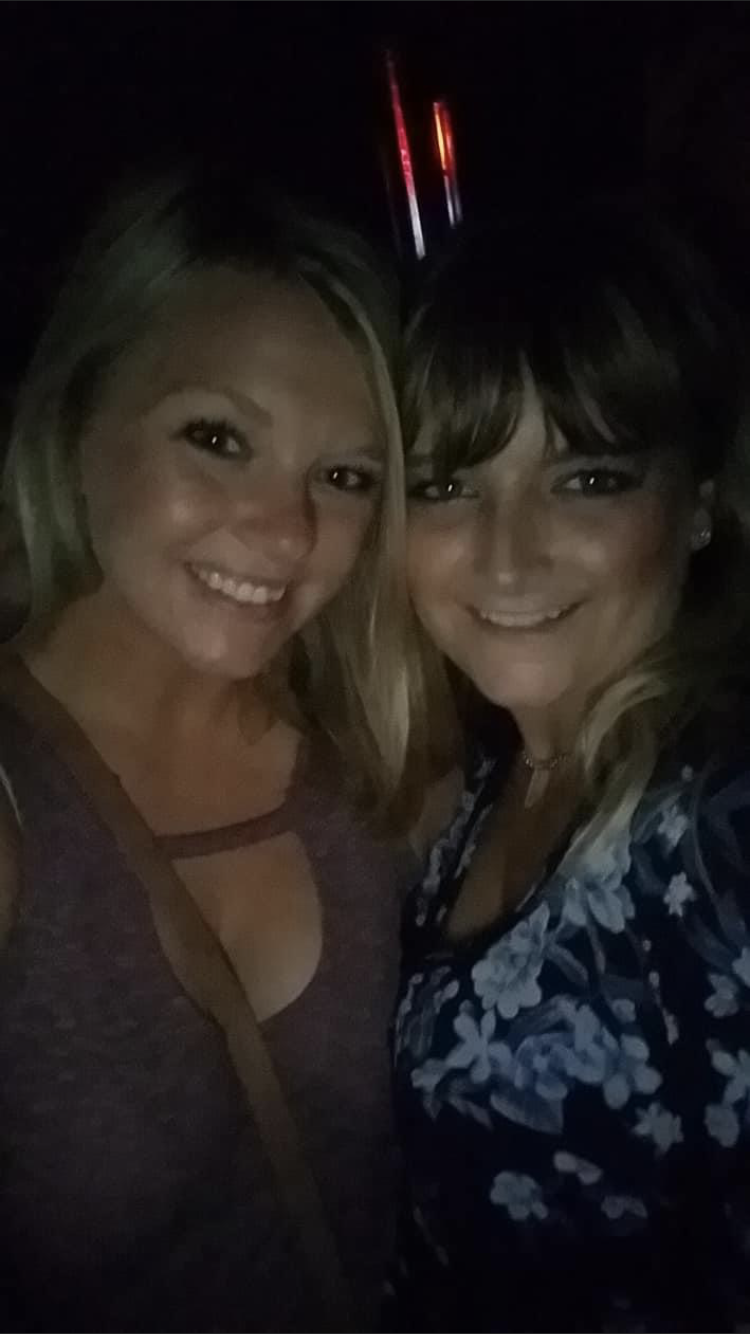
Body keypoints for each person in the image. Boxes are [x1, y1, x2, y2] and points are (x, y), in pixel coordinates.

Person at [0, 167, 416, 1333]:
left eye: (343, 476)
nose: (286, 532)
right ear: (77, 414)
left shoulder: (374, 743)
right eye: (218, 437)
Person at [391, 197, 750, 1332]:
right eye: (449, 485)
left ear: (700, 502)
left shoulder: (722, 837)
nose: (508, 556)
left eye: (587, 477)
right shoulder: (495, 780)